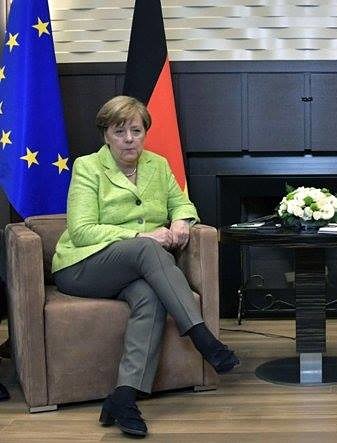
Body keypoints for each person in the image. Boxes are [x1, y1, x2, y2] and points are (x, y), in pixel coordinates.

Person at [52, 96, 239, 437]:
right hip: (82, 266)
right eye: (119, 131)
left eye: (136, 131)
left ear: (144, 133)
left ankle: (123, 398)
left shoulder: (157, 165)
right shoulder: (87, 167)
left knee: (150, 297)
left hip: (135, 270)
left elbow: (181, 203)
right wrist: (141, 235)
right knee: (146, 248)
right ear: (106, 135)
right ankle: (203, 338)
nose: (129, 139)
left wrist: (181, 219)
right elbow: (81, 231)